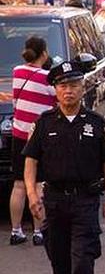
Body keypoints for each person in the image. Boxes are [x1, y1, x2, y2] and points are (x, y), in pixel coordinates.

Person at [23, 58, 105, 274]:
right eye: (63, 86)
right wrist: (31, 194)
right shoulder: (44, 123)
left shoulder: (95, 123)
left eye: (74, 85)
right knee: (59, 257)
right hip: (53, 200)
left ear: (83, 87)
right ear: (55, 90)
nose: (69, 91)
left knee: (82, 257)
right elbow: (30, 160)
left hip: (85, 200)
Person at [9, 37, 57, 245]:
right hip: (39, 138)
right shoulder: (48, 78)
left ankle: (16, 230)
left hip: (19, 136)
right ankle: (39, 232)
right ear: (44, 54)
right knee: (39, 186)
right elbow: (58, 101)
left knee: (19, 185)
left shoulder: (17, 72)